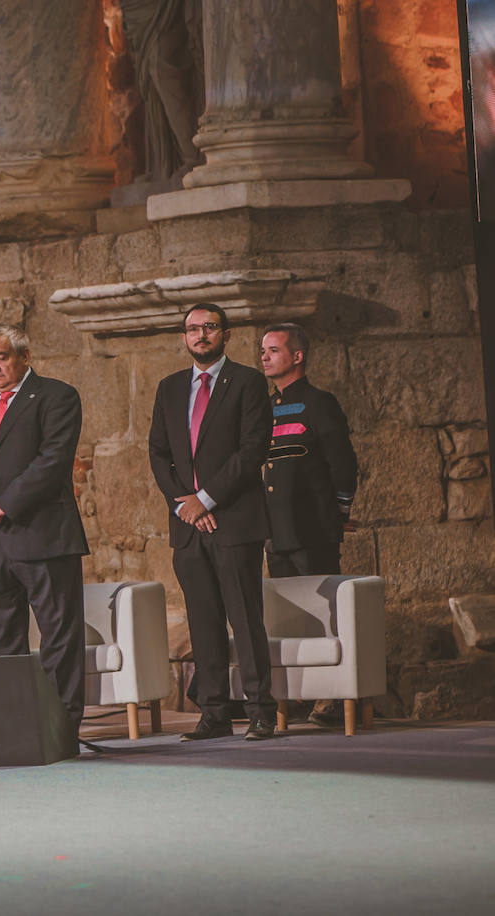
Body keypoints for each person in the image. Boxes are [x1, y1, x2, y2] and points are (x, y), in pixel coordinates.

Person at [0, 323, 89, 733]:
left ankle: (61, 729)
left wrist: (4, 504)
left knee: (59, 636)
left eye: (1, 357)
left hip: (43, 536)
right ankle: (15, 728)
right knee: (4, 642)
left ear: (24, 357)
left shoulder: (57, 396)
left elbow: (52, 460)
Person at [149, 304, 276, 741]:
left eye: (208, 327)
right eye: (191, 329)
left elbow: (251, 450)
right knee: (202, 622)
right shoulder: (168, 389)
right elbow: (158, 454)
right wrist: (184, 504)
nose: (199, 335)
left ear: (226, 333)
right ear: (183, 337)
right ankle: (215, 713)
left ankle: (261, 711)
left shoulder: (248, 383)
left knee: (244, 618)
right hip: (187, 527)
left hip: (234, 522)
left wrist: (206, 500)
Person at [260, 322, 359, 727]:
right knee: (288, 618)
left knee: (324, 614)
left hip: (312, 529)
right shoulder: (263, 409)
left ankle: (332, 696)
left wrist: (337, 513)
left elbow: (344, 464)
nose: (264, 356)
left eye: (273, 350)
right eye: (262, 350)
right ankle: (297, 695)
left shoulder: (320, 403)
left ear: (297, 356)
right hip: (275, 531)